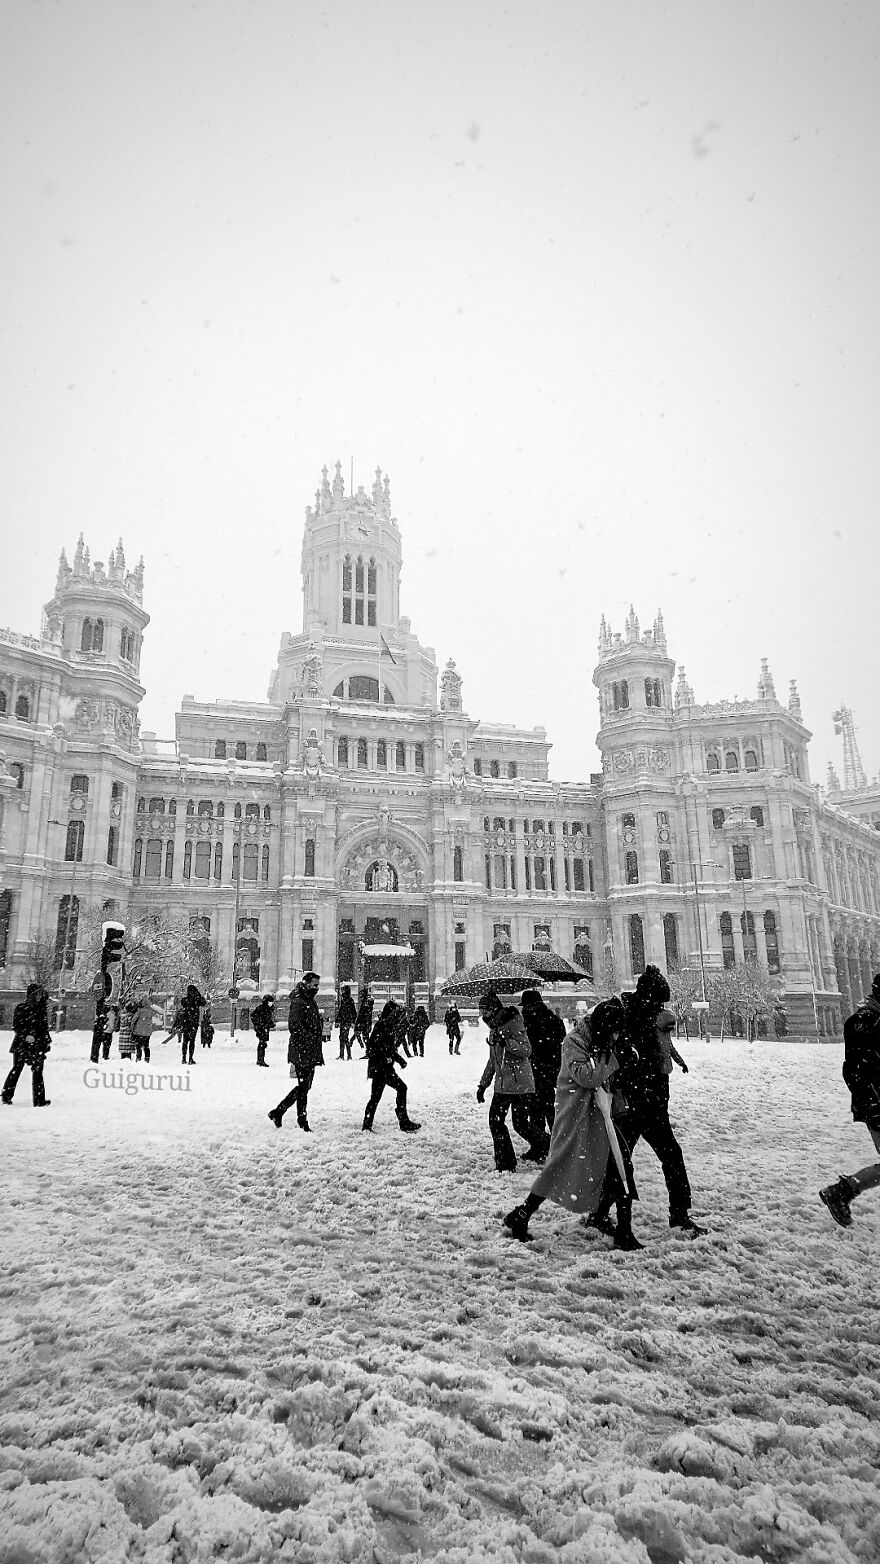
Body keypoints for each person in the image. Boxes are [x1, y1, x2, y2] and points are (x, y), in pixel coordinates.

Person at [503, 999, 643, 1251]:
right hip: (577, 1118)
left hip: (601, 1118)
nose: (617, 1035)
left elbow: (607, 1076)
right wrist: (612, 1058)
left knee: (622, 1168)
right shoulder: (574, 1042)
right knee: (558, 1167)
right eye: (614, 1031)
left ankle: (620, 1228)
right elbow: (587, 1077)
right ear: (603, 1027)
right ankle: (522, 1214)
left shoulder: (602, 1042)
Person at [589, 966, 705, 1238]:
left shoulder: (647, 1018)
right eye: (658, 1001)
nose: (660, 1006)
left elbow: (659, 1053)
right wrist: (641, 1067)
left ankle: (677, 1213)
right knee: (625, 1161)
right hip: (634, 1104)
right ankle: (603, 1212)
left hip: (651, 1103)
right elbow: (621, 1060)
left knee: (640, 1159)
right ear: (648, 997)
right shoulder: (627, 1019)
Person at [819, 972, 880, 1227]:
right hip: (877, 1103)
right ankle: (842, 1191)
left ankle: (843, 1191)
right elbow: (855, 1071)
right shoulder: (863, 1023)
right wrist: (873, 1102)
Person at [476, 990, 545, 1172]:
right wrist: (483, 1084)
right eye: (481, 1011)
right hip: (503, 1085)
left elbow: (526, 1050)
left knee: (520, 1124)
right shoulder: (493, 1029)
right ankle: (506, 1162)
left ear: (494, 1009)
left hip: (519, 1083)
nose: (483, 1015)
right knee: (496, 1121)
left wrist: (506, 1041)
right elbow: (493, 1061)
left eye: (485, 1011)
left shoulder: (513, 1024)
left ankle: (549, 1145)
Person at [268, 973, 324, 1131]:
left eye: (318, 985)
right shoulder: (299, 1002)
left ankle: (279, 1112)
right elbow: (295, 1026)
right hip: (302, 1050)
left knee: (304, 1086)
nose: (316, 988)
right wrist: (309, 1039)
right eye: (314, 985)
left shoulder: (309, 1001)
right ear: (306, 984)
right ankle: (301, 1121)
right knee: (304, 1086)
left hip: (309, 1050)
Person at [362, 1000, 421, 1132]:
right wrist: (397, 1059)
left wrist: (396, 1059)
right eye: (395, 1012)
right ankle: (403, 1121)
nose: (397, 1015)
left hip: (380, 1067)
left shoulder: (385, 1024)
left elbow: (384, 1047)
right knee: (401, 1088)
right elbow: (378, 1047)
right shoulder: (383, 1025)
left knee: (375, 1097)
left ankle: (367, 1125)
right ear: (390, 1012)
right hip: (382, 1067)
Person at [520, 988, 566, 1157]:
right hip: (549, 1071)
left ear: (532, 1006)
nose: (524, 1009)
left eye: (526, 1006)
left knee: (539, 1110)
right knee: (546, 1109)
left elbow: (534, 1046)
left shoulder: (534, 1022)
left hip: (539, 1070)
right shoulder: (553, 1020)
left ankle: (543, 1146)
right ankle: (553, 1145)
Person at [2, 984, 52, 1108]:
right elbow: (17, 1026)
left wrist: (46, 1041)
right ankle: (6, 1095)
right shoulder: (22, 1008)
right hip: (22, 1045)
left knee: (38, 1071)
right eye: (37, 994)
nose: (39, 996)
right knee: (17, 1069)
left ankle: (39, 1100)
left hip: (37, 1046)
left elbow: (44, 1028)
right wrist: (25, 1035)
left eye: (40, 994)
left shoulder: (41, 1009)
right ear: (31, 995)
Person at [656, 1007, 689, 1103]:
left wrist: (681, 1063)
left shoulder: (665, 1033)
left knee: (664, 1096)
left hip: (664, 1069)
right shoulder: (655, 1033)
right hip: (657, 1069)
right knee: (661, 1096)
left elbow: (671, 1049)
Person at [174, 984, 205, 1066]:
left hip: (186, 1022)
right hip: (194, 1022)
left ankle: (184, 1058)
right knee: (192, 1041)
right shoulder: (197, 999)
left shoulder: (185, 1000)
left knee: (185, 1041)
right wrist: (198, 994)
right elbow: (204, 1002)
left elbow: (182, 1003)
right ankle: (190, 1058)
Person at [132, 996, 160, 1063]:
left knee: (138, 1046)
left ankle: (138, 1058)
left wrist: (132, 1029)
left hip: (138, 1032)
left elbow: (133, 1020)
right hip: (147, 1032)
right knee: (146, 1046)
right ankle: (147, 1059)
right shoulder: (150, 1012)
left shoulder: (139, 1011)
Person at [251, 994, 276, 1067]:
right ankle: (260, 1060)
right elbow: (254, 1016)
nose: (271, 1003)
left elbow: (267, 1019)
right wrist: (260, 1024)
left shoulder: (268, 1009)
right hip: (261, 1028)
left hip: (264, 1028)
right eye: (270, 1002)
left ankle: (260, 1059)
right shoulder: (261, 1008)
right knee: (262, 1044)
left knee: (263, 1043)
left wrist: (270, 1024)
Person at [336, 984, 357, 1060]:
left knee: (344, 1037)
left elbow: (353, 1012)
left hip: (346, 1021)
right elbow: (341, 1011)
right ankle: (345, 1055)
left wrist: (352, 1022)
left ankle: (346, 1055)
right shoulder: (345, 1000)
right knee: (343, 1037)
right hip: (344, 1021)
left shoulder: (349, 1000)